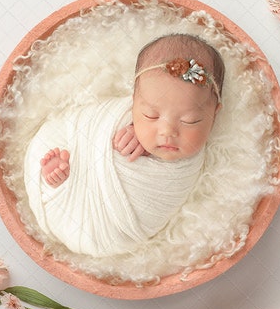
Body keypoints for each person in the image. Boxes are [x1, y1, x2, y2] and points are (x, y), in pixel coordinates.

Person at [23, 33, 224, 257]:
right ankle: (59, 179)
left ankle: (60, 183)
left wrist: (147, 146)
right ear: (134, 100)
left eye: (189, 121)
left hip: (119, 230)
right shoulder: (122, 114)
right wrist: (129, 125)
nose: (167, 132)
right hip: (77, 160)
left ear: (214, 113)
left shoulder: (193, 162)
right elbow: (95, 120)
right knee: (51, 141)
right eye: (150, 115)